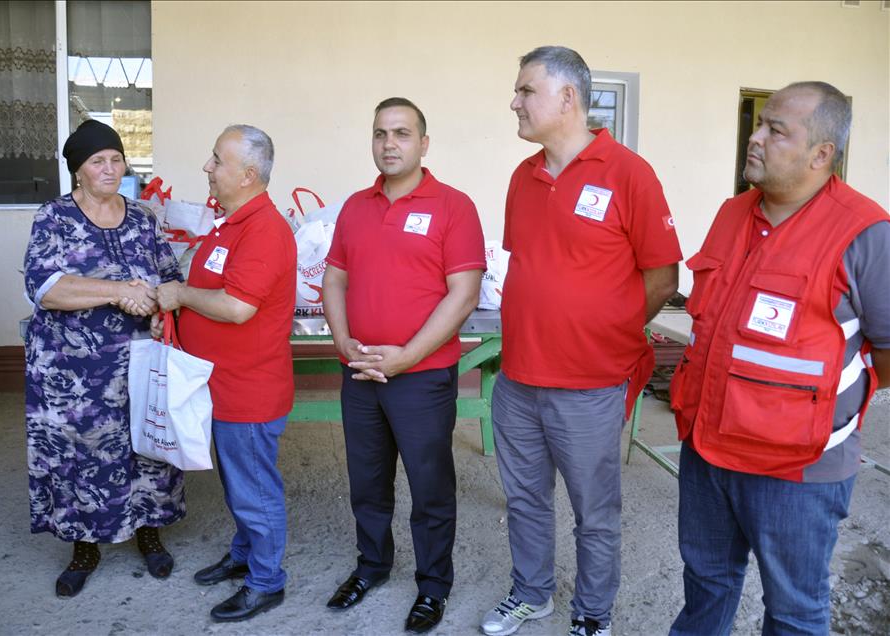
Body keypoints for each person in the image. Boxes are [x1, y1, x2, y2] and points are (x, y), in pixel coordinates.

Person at [668, 82, 890, 635]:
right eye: (759, 124)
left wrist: (818, 407)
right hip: (707, 450)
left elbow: (887, 353)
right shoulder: (731, 212)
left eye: (776, 130)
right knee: (706, 587)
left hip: (798, 469)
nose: (755, 138)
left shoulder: (865, 232)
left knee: (793, 610)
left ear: (821, 154)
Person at [482, 46, 682, 636]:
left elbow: (663, 276)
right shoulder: (524, 177)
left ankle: (593, 614)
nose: (514, 102)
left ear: (568, 98)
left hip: (590, 382)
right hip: (518, 377)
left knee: (595, 514)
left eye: (525, 91)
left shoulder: (629, 173)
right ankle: (531, 593)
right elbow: (531, 265)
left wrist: (613, 333)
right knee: (524, 500)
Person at [322, 97, 485, 634]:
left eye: (401, 133)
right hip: (361, 372)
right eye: (380, 134)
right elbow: (335, 279)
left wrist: (406, 357)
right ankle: (372, 566)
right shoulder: (354, 206)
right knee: (367, 484)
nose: (389, 143)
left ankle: (433, 586)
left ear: (423, 143)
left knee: (430, 487)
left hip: (421, 378)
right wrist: (345, 343)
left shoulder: (453, 206)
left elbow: (463, 294)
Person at [23, 119, 184, 598]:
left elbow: (170, 279)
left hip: (138, 361)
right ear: (79, 172)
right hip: (71, 370)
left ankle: (149, 532)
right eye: (98, 161)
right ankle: (83, 546)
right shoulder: (53, 218)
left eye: (116, 159)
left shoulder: (143, 217)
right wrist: (118, 292)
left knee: (146, 447)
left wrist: (158, 310)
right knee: (80, 453)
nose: (110, 168)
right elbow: (45, 288)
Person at [154, 124, 296, 624]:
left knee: (254, 487)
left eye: (217, 160)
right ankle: (245, 554)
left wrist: (179, 296)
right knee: (241, 484)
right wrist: (176, 310)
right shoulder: (230, 223)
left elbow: (237, 307)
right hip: (221, 385)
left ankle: (266, 582)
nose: (207, 168)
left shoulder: (264, 230)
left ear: (249, 174)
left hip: (249, 390)